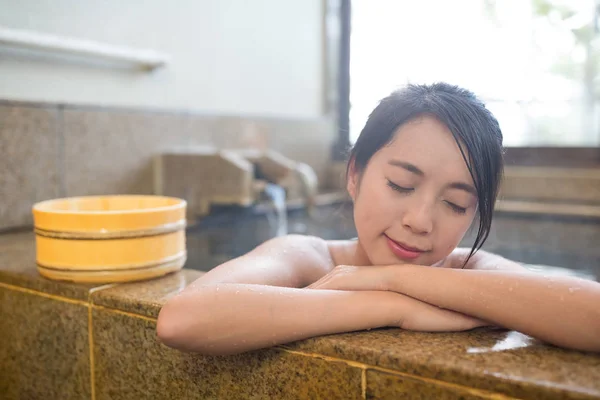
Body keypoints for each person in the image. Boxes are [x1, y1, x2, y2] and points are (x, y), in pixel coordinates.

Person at [157, 82, 600, 355]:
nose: (420, 220)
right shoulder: (307, 256)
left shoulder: (469, 270)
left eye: (456, 204)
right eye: (402, 185)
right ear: (355, 174)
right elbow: (183, 318)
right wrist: (392, 307)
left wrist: (390, 279)